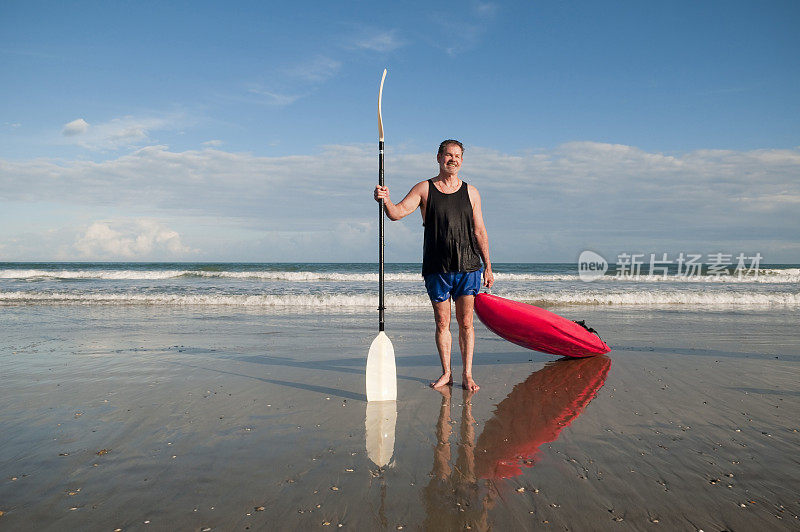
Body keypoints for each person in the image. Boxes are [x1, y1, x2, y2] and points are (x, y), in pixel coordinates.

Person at [373, 139, 494, 391]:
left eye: (457, 155)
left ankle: (468, 374)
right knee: (442, 323)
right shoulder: (424, 189)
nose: (453, 159)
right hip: (437, 268)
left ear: (462, 159)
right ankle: (447, 373)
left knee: (466, 323)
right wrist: (385, 200)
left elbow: (480, 230)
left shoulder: (471, 192)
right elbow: (396, 213)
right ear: (438, 157)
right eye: (448, 155)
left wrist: (488, 266)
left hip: (469, 266)